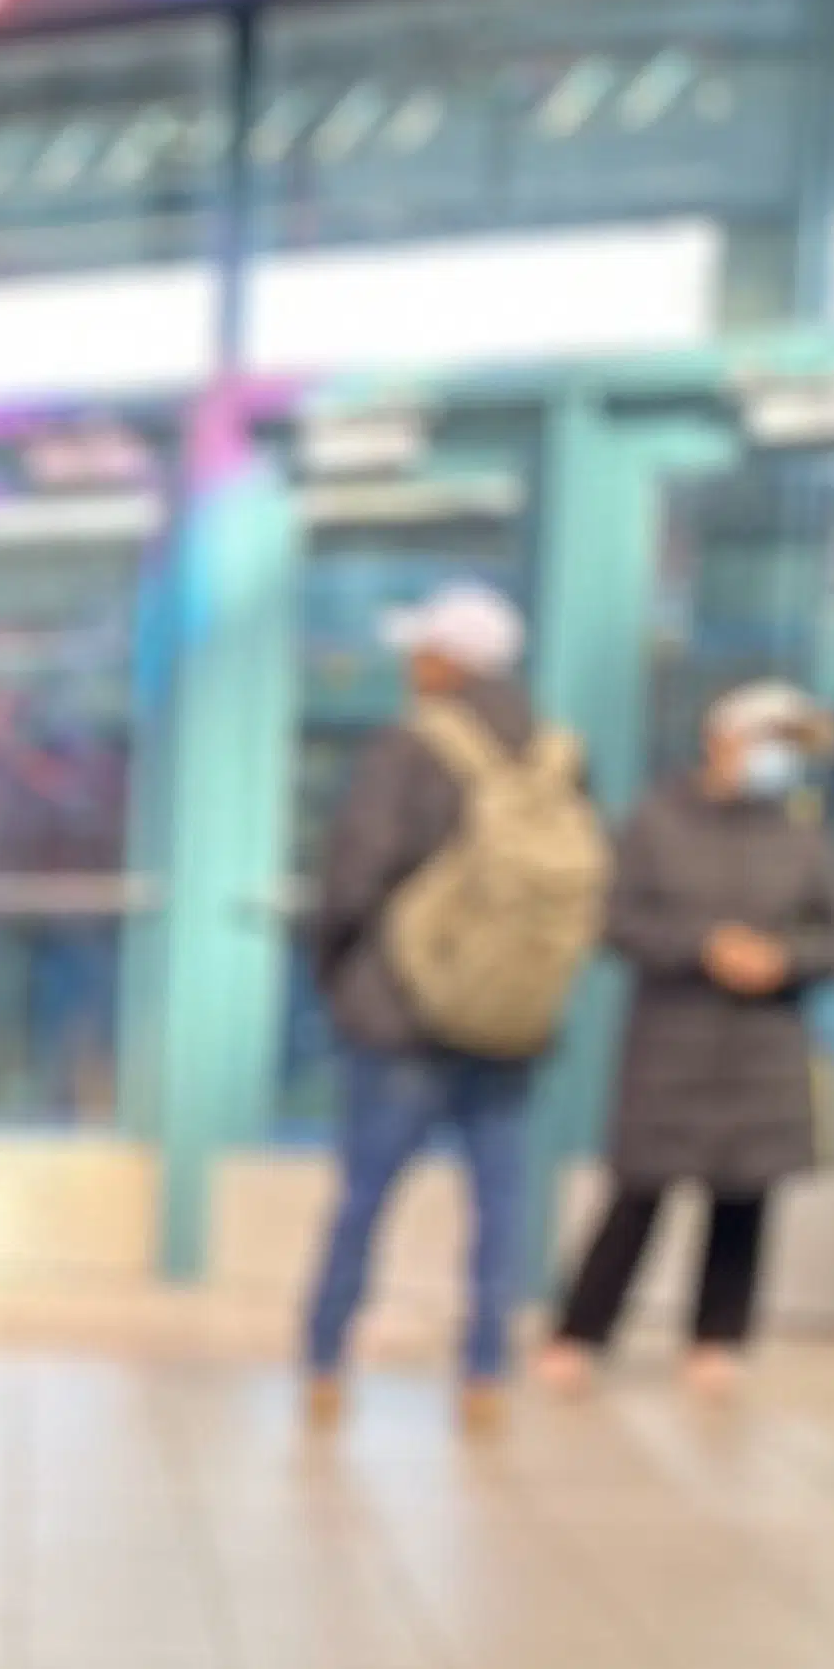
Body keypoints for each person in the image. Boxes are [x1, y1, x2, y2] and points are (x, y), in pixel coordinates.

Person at [297, 576, 601, 1433]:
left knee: (366, 1191)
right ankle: (484, 1370)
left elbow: (353, 875)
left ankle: (326, 1354)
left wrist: (337, 974)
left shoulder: (406, 749)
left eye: (417, 650)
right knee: (499, 1200)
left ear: (443, 662)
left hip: (400, 1017)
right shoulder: (559, 754)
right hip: (512, 1021)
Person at [535, 678, 834, 1398]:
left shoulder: (804, 839)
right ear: (722, 739)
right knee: (639, 1191)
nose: (777, 759)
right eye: (768, 741)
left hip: (764, 1048)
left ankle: (717, 1336)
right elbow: (616, 920)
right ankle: (581, 1330)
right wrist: (703, 946)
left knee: (744, 1197)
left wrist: (783, 960)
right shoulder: (654, 823)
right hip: (672, 1038)